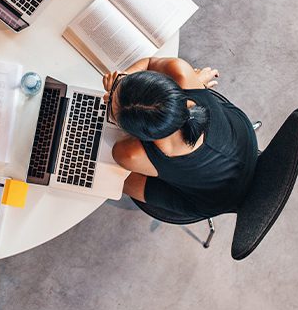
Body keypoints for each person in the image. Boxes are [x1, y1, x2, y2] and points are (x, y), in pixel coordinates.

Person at [103, 58, 258, 218]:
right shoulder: (181, 71)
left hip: (216, 199)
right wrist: (122, 80)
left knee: (114, 179)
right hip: (243, 141)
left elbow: (122, 163)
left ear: (138, 134)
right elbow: (148, 63)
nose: (106, 97)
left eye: (110, 112)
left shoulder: (129, 154)